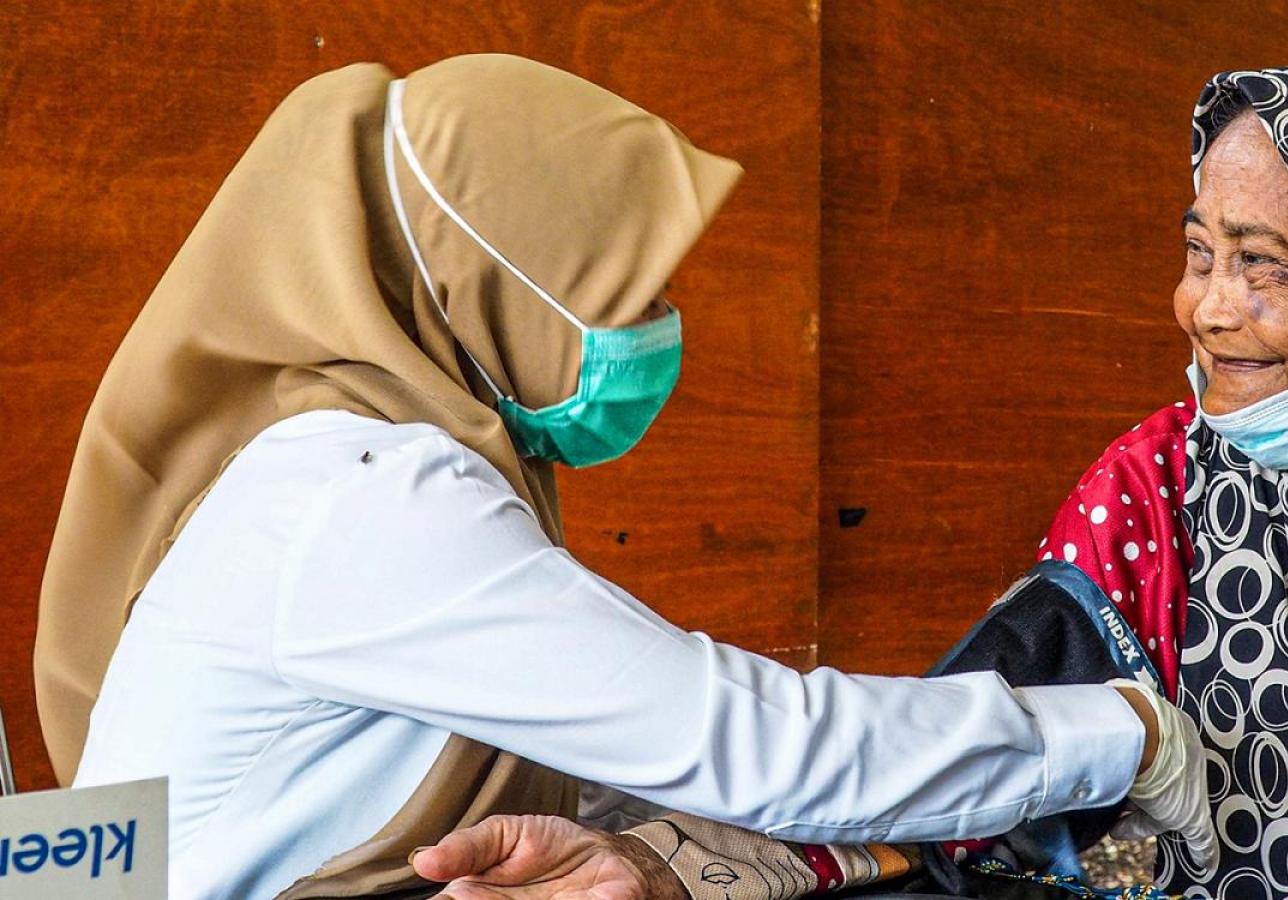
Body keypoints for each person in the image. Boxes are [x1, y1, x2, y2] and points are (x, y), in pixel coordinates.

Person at [418, 59, 1288, 900]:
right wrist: (669, 869)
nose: (1201, 309)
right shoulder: (1153, 486)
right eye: (1197, 249)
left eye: (1264, 265)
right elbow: (987, 745)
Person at [33, 54, 1212, 899]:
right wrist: (1122, 734)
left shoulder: (354, 458)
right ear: (491, 286)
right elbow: (762, 748)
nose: (657, 326)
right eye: (621, 293)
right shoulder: (371, 500)